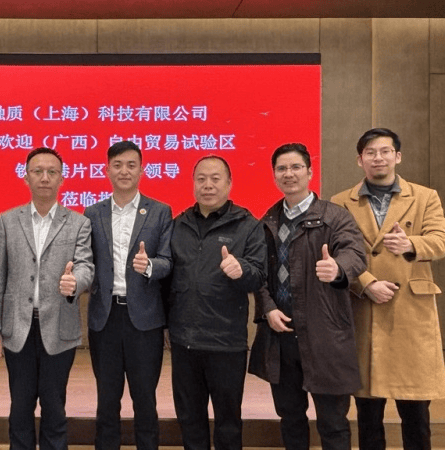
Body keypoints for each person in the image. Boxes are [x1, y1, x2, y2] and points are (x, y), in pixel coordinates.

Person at [331, 128, 445, 450]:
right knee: (368, 413)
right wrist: (366, 283)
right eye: (370, 153)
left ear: (397, 156)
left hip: (409, 310)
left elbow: (442, 240)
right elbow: (337, 254)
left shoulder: (425, 197)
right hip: (364, 307)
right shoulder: (341, 202)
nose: (378, 158)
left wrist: (411, 243)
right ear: (360, 160)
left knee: (416, 412)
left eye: (385, 151)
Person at [248, 143, 365, 450]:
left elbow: (355, 253)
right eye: (282, 169)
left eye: (296, 167)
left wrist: (338, 268)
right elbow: (258, 274)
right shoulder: (267, 221)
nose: (289, 174)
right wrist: (268, 308)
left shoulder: (334, 216)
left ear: (310, 172)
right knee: (290, 417)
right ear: (274, 175)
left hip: (324, 335)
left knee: (333, 421)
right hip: (281, 335)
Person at [0, 147, 94, 450]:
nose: (45, 177)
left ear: (62, 178)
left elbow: (86, 266)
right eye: (37, 171)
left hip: (59, 326)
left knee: (54, 403)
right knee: (20, 404)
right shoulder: (8, 220)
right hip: (17, 327)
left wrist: (76, 282)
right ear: (26, 177)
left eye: (52, 172)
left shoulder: (78, 223)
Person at [167, 155, 267, 450]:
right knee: (189, 420)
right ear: (193, 183)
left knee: (228, 422)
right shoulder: (178, 225)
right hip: (184, 342)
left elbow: (259, 276)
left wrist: (242, 269)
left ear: (229, 183)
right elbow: (167, 282)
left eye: (215, 179)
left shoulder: (247, 225)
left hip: (226, 343)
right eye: (201, 179)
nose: (207, 185)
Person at [83, 141, 173, 450]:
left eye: (131, 165)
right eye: (118, 165)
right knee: (106, 399)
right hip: (105, 318)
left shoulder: (160, 211)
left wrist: (150, 266)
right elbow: (86, 262)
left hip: (144, 320)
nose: (124, 171)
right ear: (106, 170)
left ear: (142, 170)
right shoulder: (92, 213)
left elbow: (168, 261)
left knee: (144, 399)